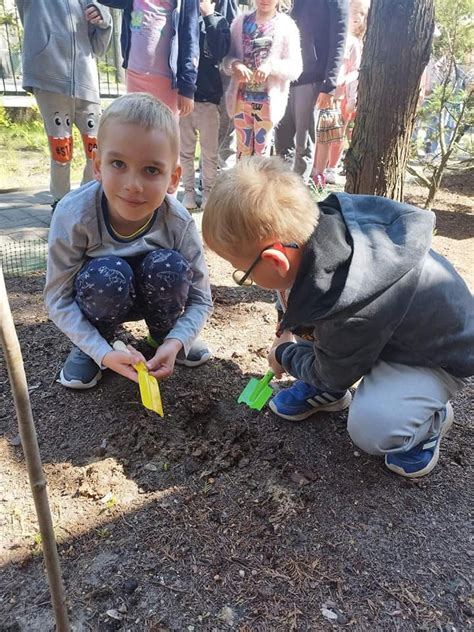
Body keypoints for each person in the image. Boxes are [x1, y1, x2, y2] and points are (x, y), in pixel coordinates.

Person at [202, 156, 473, 478]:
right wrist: (285, 333)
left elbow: (336, 367)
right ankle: (329, 388)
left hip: (431, 355)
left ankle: (427, 421)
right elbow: (291, 294)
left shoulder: (349, 300)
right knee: (312, 317)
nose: (244, 278)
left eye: (241, 273)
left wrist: (286, 355)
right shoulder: (314, 241)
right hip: (379, 333)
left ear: (276, 260)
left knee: (372, 430)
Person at [44, 93, 213, 390]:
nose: (133, 185)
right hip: (102, 297)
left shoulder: (178, 221)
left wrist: (178, 339)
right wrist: (102, 352)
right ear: (97, 166)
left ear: (173, 178)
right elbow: (58, 297)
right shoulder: (73, 214)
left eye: (151, 170)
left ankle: (162, 333)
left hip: (157, 295)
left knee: (170, 266)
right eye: (118, 164)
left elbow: (201, 298)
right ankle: (97, 342)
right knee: (108, 276)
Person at [16, 0, 113, 211]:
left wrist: (103, 17)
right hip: (49, 77)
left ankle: (87, 199)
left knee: (96, 147)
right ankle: (60, 203)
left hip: (86, 79)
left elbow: (99, 47)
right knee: (61, 149)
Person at [274, 0, 348, 183]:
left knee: (304, 144)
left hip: (311, 77)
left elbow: (339, 37)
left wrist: (329, 84)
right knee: (282, 143)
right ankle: (283, 191)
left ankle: (299, 193)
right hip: (283, 76)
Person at [222, 0, 302, 158]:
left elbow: (295, 67)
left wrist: (270, 67)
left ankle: (259, 184)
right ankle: (242, 184)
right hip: (240, 101)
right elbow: (227, 59)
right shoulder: (240, 22)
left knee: (261, 154)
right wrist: (235, 64)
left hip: (267, 104)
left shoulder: (287, 26)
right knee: (242, 153)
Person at [98, 0, 199, 117]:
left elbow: (190, 38)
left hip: (166, 81)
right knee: (136, 128)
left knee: (165, 131)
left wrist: (187, 87)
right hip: (135, 74)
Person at [312, 0, 369, 188]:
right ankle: (309, 168)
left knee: (327, 135)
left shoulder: (352, 43)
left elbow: (356, 69)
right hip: (315, 92)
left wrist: (345, 79)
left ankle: (320, 173)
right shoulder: (325, 35)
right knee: (311, 131)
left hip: (336, 97)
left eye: (359, 14)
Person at [180, 0, 230, 211]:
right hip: (185, 99)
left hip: (210, 101)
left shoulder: (220, 21)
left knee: (210, 153)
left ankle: (208, 191)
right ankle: (189, 192)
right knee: (185, 151)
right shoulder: (184, 17)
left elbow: (222, 51)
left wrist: (209, 16)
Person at [215, 0, 239, 170]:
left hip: (225, 68)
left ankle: (224, 167)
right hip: (199, 70)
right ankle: (206, 169)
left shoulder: (228, 5)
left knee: (227, 121)